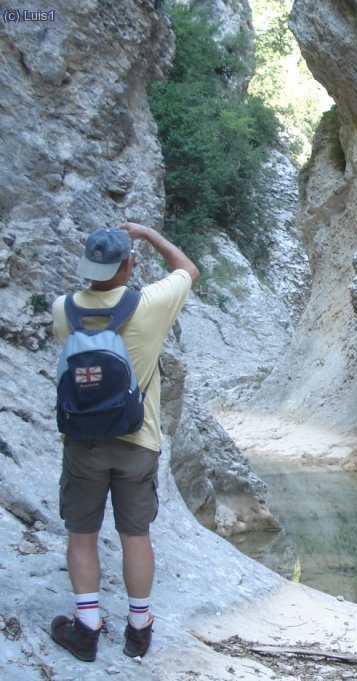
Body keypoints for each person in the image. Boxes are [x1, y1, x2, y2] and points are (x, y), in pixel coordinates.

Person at [49, 222, 200, 662]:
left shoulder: (64, 308)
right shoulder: (149, 305)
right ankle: (138, 630)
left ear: (87, 266)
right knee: (135, 536)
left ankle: (87, 628)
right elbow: (187, 268)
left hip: (82, 442)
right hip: (139, 439)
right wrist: (149, 234)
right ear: (128, 264)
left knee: (82, 535)